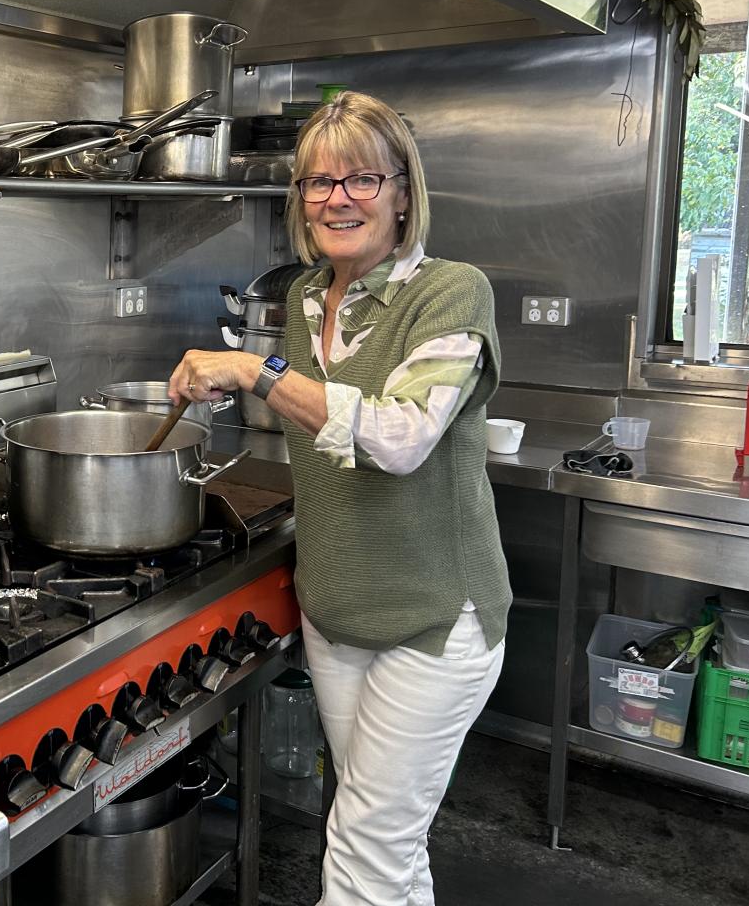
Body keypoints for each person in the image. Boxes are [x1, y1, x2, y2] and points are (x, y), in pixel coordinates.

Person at [168, 91, 511, 906]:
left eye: (361, 178)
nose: (337, 199)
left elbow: (397, 439)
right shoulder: (303, 300)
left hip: (433, 622)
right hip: (337, 614)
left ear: (401, 192)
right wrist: (225, 392)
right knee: (386, 841)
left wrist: (255, 372)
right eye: (318, 183)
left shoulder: (451, 292)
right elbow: (313, 420)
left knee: (364, 848)